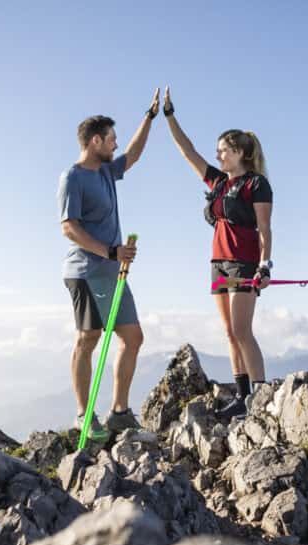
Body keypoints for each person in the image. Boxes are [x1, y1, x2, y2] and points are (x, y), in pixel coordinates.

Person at [163, 86, 273, 419]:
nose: (218, 156)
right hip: (218, 263)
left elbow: (265, 228)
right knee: (228, 332)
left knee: (242, 331)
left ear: (240, 151)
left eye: (224, 150)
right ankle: (242, 397)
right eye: (218, 151)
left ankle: (261, 395)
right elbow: (187, 151)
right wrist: (169, 115)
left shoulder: (256, 184)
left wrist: (264, 266)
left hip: (244, 262)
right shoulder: (218, 182)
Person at [58, 90, 160, 439]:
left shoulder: (105, 172)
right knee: (89, 338)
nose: (116, 145)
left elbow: (133, 154)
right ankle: (83, 415)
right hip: (85, 271)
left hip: (112, 270)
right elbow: (69, 228)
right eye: (111, 139)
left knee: (133, 337)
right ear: (95, 140)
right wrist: (111, 252)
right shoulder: (73, 177)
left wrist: (149, 117)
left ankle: (119, 411)